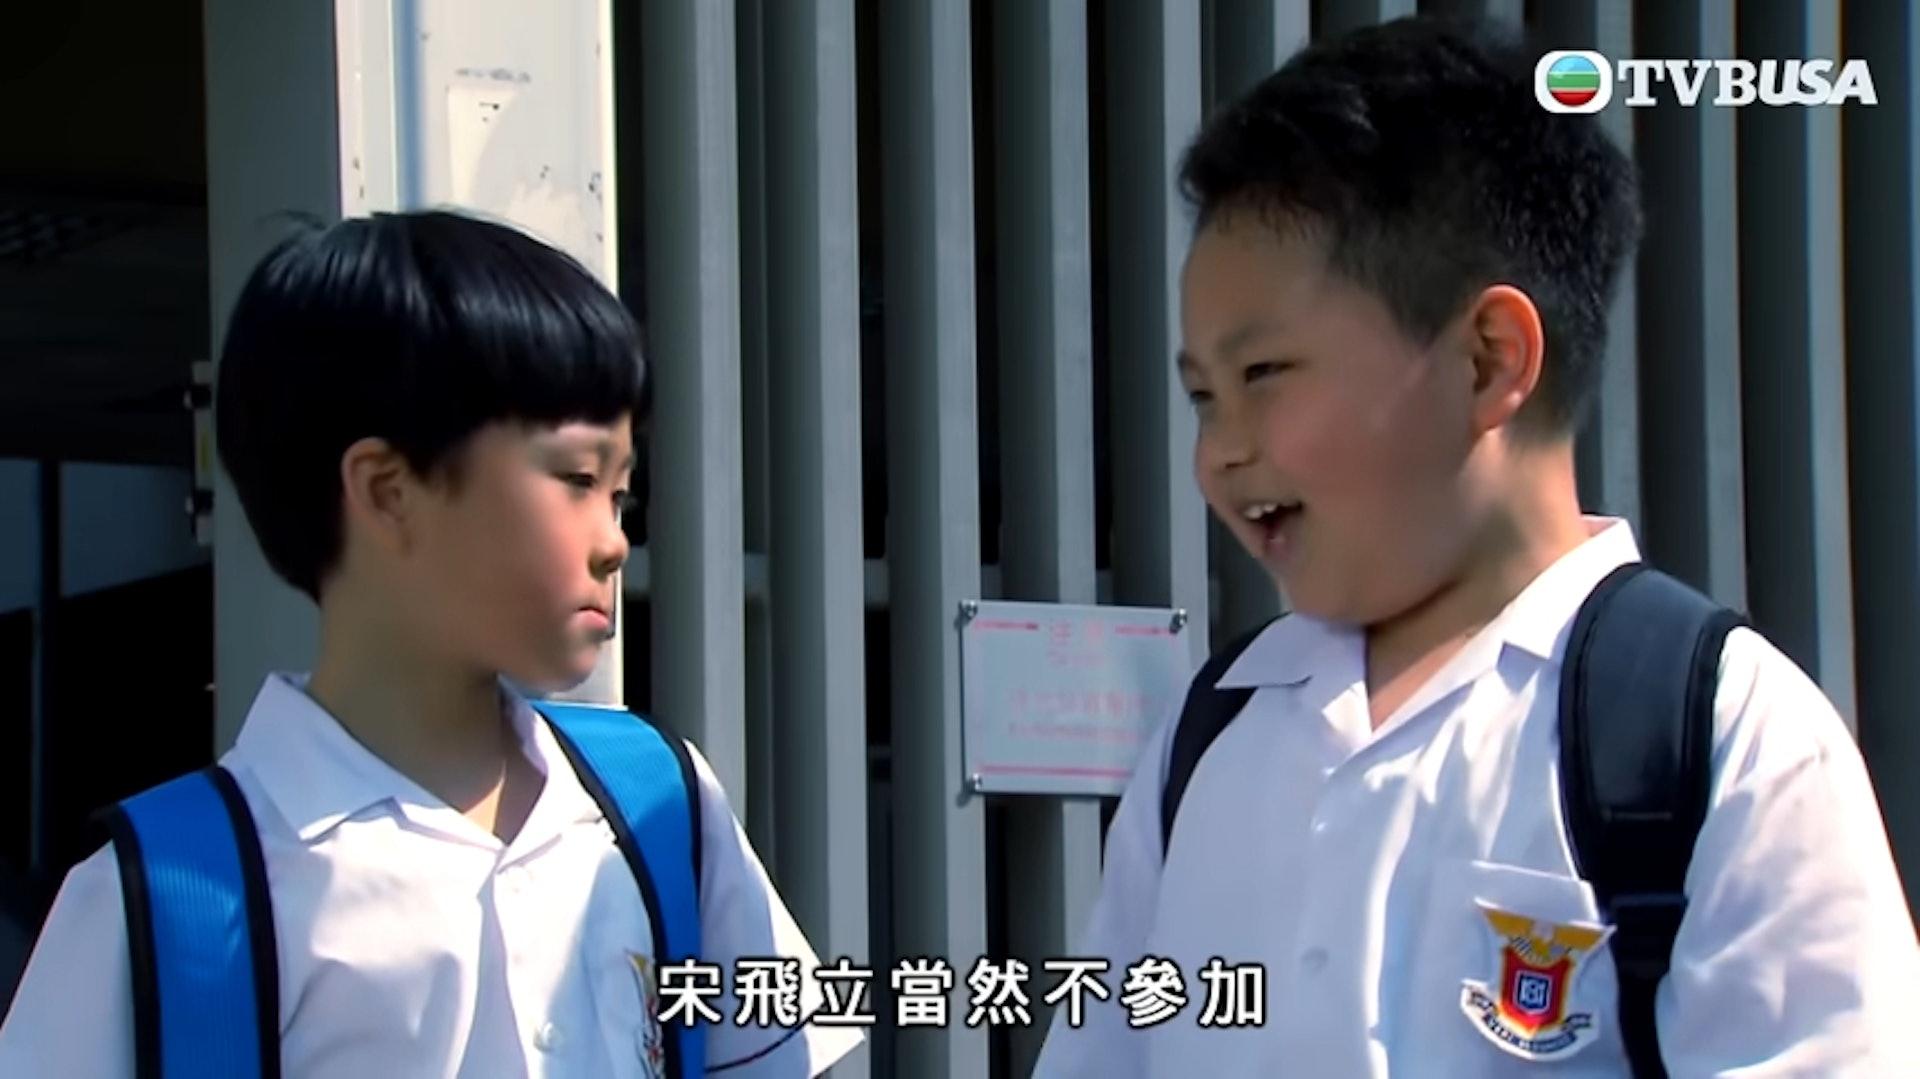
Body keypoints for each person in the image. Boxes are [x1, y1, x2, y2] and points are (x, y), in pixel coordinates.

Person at [1033, 15, 1918, 1078]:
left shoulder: (1721, 736)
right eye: (1202, 396)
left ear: (1488, 360)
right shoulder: (1207, 740)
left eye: (1264, 375)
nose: (1222, 451)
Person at [0, 210, 862, 1078]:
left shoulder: (660, 799)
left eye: (621, 496)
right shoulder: (165, 894)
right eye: (576, 480)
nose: (613, 541)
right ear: (388, 491)